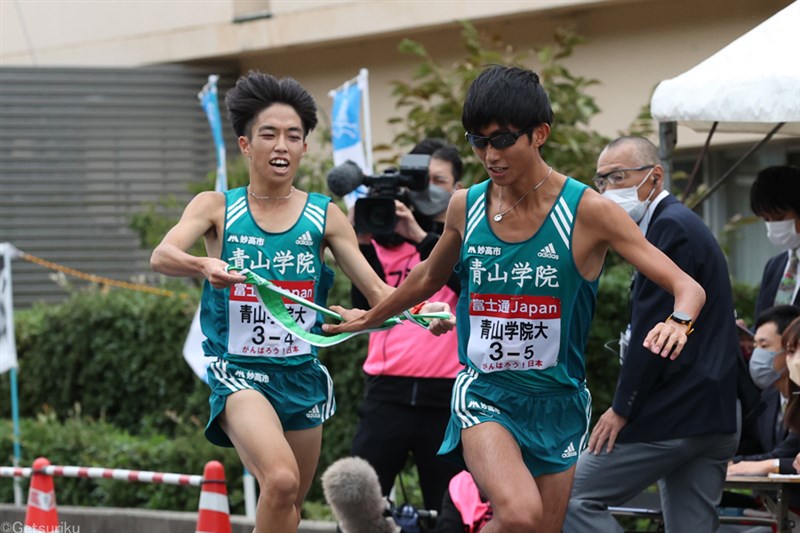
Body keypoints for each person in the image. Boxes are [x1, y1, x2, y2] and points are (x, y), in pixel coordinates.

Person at [324, 66, 705, 533]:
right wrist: (368, 318)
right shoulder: (466, 205)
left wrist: (678, 322)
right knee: (520, 515)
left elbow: (688, 287)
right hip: (484, 394)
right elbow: (426, 278)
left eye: (502, 139)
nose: (489, 154)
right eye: (477, 141)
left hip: (558, 402)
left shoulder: (588, 211)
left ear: (539, 134)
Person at [150, 71, 450, 533]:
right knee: (282, 480)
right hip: (240, 372)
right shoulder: (215, 207)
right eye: (268, 134)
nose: (282, 146)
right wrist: (203, 266)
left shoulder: (324, 216)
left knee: (289, 504)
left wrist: (421, 313)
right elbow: (163, 254)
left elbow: (378, 294)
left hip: (303, 376)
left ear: (306, 147)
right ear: (246, 144)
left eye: (294, 136)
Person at [563, 136, 740, 532]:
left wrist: (622, 407)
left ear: (655, 177)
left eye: (618, 177)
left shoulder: (669, 228)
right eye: (601, 181)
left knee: (569, 498)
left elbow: (652, 334)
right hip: (712, 415)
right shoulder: (676, 223)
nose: (607, 191)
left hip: (673, 412)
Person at [348, 141, 464, 512]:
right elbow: (363, 309)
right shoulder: (381, 238)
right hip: (386, 396)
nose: (424, 191)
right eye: (419, 181)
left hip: (446, 399)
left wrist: (421, 236)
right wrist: (361, 241)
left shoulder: (467, 240)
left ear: (457, 189)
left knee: (448, 509)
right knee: (358, 505)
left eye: (437, 180)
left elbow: (470, 285)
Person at [737, 305, 800, 457]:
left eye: (764, 346)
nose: (757, 354)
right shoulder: (767, 398)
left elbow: (786, 454)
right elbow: (754, 444)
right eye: (755, 346)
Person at [751, 166, 800, 318]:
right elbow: (764, 320)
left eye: (779, 218)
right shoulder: (774, 266)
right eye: (766, 219)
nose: (773, 225)